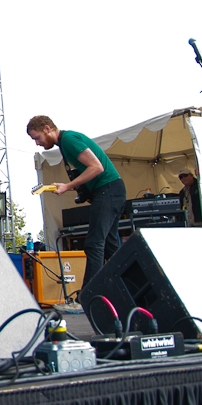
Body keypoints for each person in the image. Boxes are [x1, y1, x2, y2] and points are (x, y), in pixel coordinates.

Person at [26, 115, 126, 287]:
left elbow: (96, 167)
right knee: (110, 246)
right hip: (110, 190)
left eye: (37, 138)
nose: (37, 143)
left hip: (108, 190)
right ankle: (132, 285)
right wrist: (70, 186)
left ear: (47, 129)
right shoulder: (65, 144)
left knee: (95, 243)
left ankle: (89, 294)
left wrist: (68, 186)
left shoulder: (69, 140)